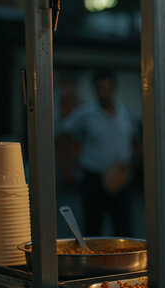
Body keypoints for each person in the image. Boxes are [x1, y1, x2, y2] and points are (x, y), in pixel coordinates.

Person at [57, 70, 139, 236]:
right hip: (94, 176)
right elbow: (63, 134)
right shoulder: (86, 113)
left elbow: (135, 141)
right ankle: (93, 261)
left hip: (120, 177)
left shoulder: (126, 113)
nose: (104, 92)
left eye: (107, 88)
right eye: (100, 88)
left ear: (114, 88)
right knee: (93, 226)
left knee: (123, 227)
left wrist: (132, 163)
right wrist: (72, 158)